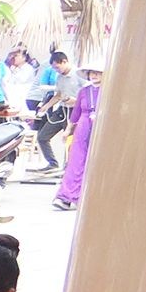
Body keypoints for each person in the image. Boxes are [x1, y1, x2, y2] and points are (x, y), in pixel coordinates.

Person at [53, 56, 104, 212]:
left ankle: (89, 197)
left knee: (96, 162)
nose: (94, 76)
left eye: (98, 73)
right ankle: (65, 197)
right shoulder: (84, 91)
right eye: (91, 73)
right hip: (83, 126)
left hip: (101, 127)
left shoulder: (110, 91)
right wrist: (68, 130)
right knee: (76, 161)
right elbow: (76, 113)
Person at [28, 50, 79, 177]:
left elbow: (88, 94)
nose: (57, 70)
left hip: (75, 111)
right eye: (54, 68)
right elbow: (58, 95)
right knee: (42, 136)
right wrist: (46, 106)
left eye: (57, 67)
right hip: (62, 110)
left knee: (71, 141)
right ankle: (52, 163)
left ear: (65, 62)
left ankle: (68, 168)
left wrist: (76, 101)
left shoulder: (78, 75)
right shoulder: (60, 77)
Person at [0, 44, 37, 112]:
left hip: (6, 99)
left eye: (16, 56)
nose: (13, 57)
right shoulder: (13, 68)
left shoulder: (27, 69)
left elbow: (7, 85)